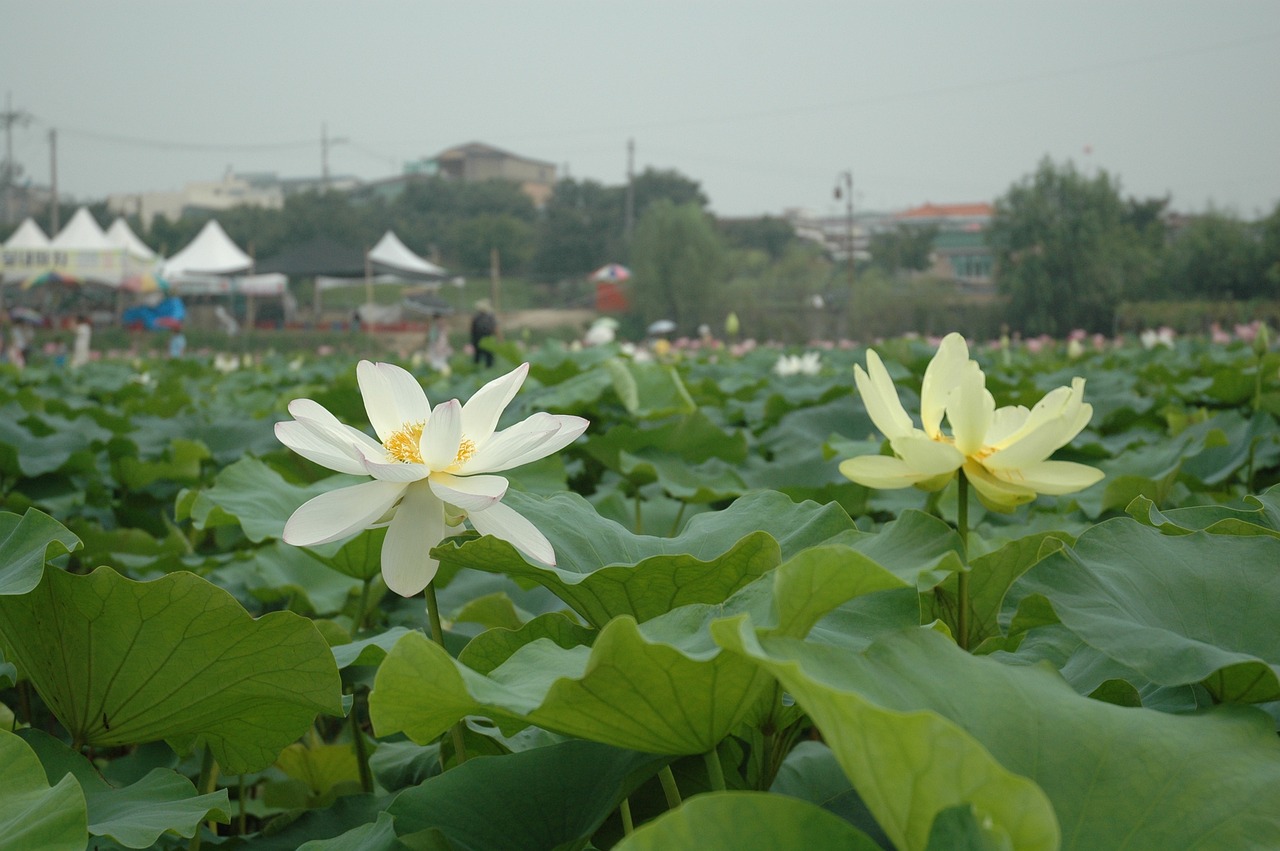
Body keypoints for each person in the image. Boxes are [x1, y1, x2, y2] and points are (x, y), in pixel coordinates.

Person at [470, 300, 497, 367]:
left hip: (477, 339)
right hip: (487, 339)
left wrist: (472, 341)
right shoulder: (490, 317)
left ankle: (476, 368)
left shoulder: (476, 317)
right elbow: (495, 328)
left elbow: (472, 330)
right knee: (489, 357)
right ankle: (488, 368)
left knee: (477, 356)